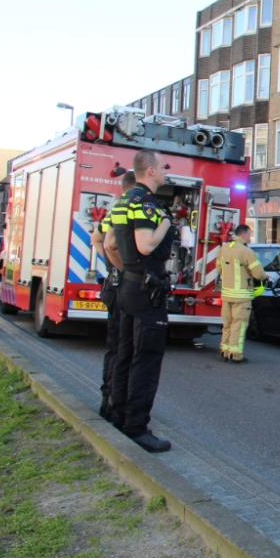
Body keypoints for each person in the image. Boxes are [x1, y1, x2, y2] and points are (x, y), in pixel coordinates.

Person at [104, 150, 176, 453]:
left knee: (124, 354)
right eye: (162, 167)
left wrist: (127, 272)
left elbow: (108, 243)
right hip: (148, 294)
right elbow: (145, 245)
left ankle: (116, 415)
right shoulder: (148, 204)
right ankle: (137, 427)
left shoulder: (121, 201)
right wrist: (166, 223)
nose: (165, 171)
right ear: (149, 171)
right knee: (146, 359)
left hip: (129, 288)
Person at [90, 170, 136, 422]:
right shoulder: (126, 209)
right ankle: (113, 401)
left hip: (112, 285)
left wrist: (110, 266)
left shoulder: (111, 211)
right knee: (122, 347)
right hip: (122, 288)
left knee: (113, 346)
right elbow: (109, 243)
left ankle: (107, 396)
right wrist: (122, 268)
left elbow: (97, 238)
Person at [216, 224, 267, 363]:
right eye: (249, 234)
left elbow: (219, 269)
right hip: (241, 296)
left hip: (226, 294)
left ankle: (225, 351)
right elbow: (258, 274)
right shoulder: (246, 252)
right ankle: (235, 355)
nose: (250, 237)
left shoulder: (223, 249)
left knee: (227, 324)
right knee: (239, 324)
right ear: (244, 235)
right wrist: (265, 277)